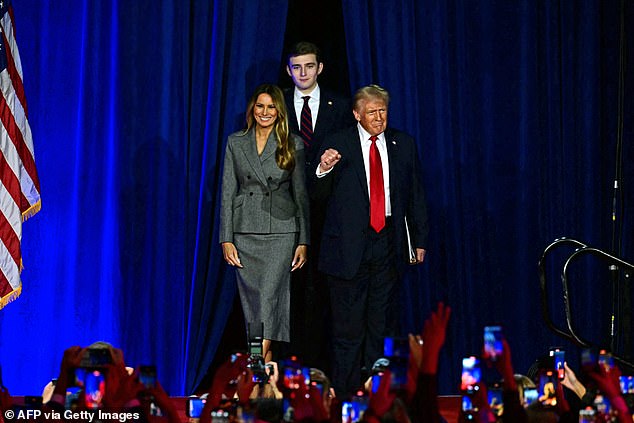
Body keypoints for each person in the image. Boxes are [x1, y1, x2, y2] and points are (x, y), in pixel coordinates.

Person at [312, 84, 429, 397]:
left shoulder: (402, 143)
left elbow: (416, 195)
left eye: (383, 111)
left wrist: (418, 241)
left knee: (381, 324)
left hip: (388, 243)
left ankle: (378, 392)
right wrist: (323, 168)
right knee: (347, 328)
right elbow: (317, 197)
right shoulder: (338, 143)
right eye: (372, 112)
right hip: (347, 248)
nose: (379, 118)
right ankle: (348, 393)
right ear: (356, 114)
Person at [220, 84, 310, 361]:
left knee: (270, 298)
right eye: (260, 106)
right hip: (245, 231)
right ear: (252, 109)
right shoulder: (236, 142)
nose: (265, 112)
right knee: (253, 304)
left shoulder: (292, 143)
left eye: (271, 107)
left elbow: (301, 195)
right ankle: (263, 375)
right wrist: (226, 238)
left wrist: (304, 240)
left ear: (279, 111)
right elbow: (227, 192)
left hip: (280, 232)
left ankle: (254, 360)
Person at [283, 41, 353, 370]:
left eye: (309, 66)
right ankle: (290, 366)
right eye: (297, 67)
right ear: (288, 70)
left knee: (324, 294)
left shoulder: (339, 107)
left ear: (320, 68)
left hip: (328, 213)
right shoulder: (278, 103)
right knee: (290, 295)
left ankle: (324, 369)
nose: (303, 73)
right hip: (285, 212)